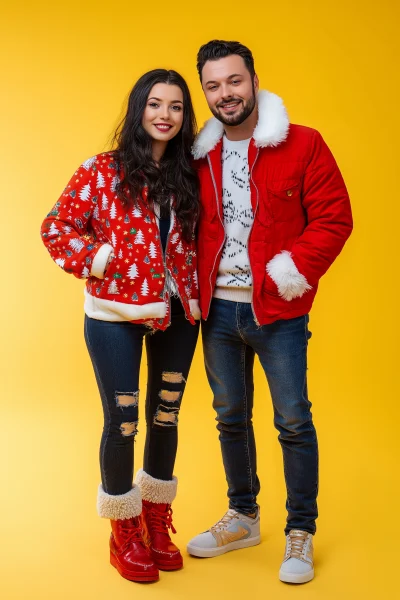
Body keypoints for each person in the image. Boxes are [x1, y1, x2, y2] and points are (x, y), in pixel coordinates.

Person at [186, 40, 353, 584]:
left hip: (277, 313)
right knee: (229, 417)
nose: (224, 94)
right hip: (217, 314)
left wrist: (287, 272)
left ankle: (300, 531)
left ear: (254, 80)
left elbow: (334, 219)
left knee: (292, 420)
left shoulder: (303, 145)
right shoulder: (199, 156)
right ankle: (244, 516)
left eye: (233, 81)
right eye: (212, 85)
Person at [41, 69, 200, 583]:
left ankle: (156, 519)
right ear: (139, 109)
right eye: (156, 104)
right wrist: (102, 258)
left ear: (185, 116)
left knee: (166, 417)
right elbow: (56, 228)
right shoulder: (100, 170)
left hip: (177, 314)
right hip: (115, 316)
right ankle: (124, 528)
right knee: (124, 423)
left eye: (176, 107)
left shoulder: (191, 173)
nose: (165, 115)